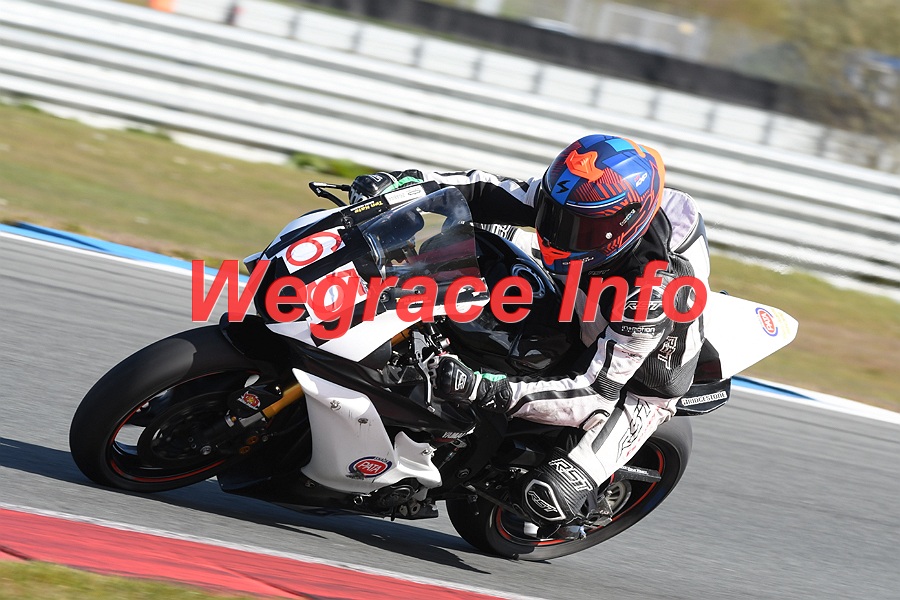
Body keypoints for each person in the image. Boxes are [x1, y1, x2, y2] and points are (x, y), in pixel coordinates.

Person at [349, 134, 710, 538]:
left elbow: (593, 393)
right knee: (464, 247)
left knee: (549, 495)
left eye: (578, 228)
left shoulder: (652, 291)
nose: (559, 233)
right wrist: (402, 186)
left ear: (622, 227)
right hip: (587, 292)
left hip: (638, 383)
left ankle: (560, 496)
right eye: (556, 216)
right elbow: (483, 190)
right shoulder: (585, 201)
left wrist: (484, 389)